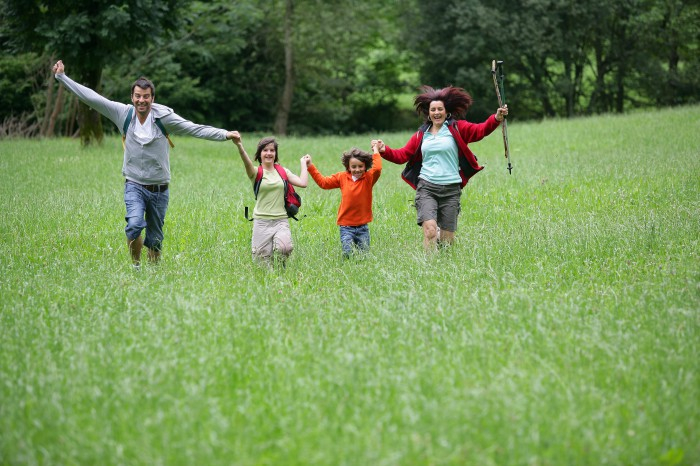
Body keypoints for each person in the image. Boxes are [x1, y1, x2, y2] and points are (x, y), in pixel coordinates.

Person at [52, 60, 239, 268]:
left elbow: (193, 128)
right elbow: (91, 97)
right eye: (138, 96)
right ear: (132, 97)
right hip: (134, 184)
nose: (142, 101)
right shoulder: (123, 114)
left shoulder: (164, 118)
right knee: (133, 226)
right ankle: (136, 267)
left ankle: (154, 274)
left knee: (155, 239)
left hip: (159, 188)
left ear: (153, 98)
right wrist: (62, 77)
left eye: (146, 97)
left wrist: (224, 134)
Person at [375, 85, 508, 251]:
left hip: (451, 189)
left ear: (447, 112)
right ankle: (428, 269)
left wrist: (496, 118)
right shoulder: (421, 135)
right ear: (428, 113)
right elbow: (402, 155)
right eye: (433, 110)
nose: (436, 112)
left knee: (447, 242)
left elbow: (480, 130)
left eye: (440, 109)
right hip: (427, 188)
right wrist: (384, 150)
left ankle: (442, 262)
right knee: (430, 230)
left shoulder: (458, 128)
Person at [231, 133, 308, 266]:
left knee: (285, 248)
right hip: (261, 222)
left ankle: (280, 265)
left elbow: (303, 182)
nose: (269, 153)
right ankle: (273, 279)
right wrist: (239, 146)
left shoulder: (283, 171)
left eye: (272, 150)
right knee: (262, 263)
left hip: (281, 220)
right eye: (265, 150)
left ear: (275, 154)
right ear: (259, 154)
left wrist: (303, 163)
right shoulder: (255, 173)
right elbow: (246, 161)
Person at [305, 143, 382, 258]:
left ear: (365, 166)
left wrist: (376, 150)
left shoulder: (368, 178)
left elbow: (378, 168)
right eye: (354, 167)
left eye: (360, 166)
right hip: (346, 226)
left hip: (362, 227)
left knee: (364, 256)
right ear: (348, 167)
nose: (357, 169)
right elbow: (324, 183)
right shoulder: (342, 177)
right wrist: (310, 166)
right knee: (347, 253)